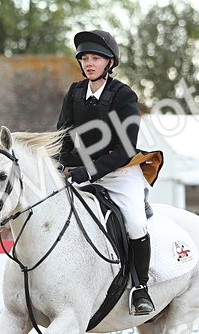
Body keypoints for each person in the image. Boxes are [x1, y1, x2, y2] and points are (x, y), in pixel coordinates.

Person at [56, 29, 155, 315]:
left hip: (120, 174)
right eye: (84, 58)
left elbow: (126, 149)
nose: (89, 63)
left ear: (110, 62)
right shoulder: (75, 92)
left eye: (95, 58)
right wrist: (60, 162)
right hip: (80, 172)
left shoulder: (124, 96)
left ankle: (140, 289)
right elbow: (63, 134)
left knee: (135, 223)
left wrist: (87, 172)